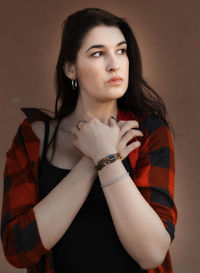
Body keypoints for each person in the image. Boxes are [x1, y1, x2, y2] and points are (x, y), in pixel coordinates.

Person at [1, 7, 178, 273]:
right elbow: (18, 250)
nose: (114, 64)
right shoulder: (34, 138)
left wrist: (107, 159)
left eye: (121, 51)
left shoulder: (148, 133)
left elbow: (152, 253)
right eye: (98, 53)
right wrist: (95, 158)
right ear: (70, 69)